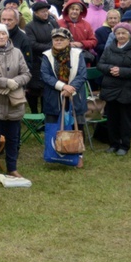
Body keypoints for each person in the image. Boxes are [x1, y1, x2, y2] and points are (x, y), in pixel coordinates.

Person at [0, 24, 31, 181]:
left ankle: (12, 168)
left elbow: (26, 73)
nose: (1, 37)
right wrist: (4, 82)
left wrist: (14, 83)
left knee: (13, 138)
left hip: (14, 102)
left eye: (4, 34)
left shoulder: (16, 52)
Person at [97, 22, 131, 155]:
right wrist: (110, 69)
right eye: (118, 33)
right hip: (110, 87)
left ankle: (124, 145)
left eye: (123, 33)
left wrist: (122, 71)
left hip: (128, 89)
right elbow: (100, 64)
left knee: (125, 119)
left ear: (129, 34)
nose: (120, 35)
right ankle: (113, 143)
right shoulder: (109, 48)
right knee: (112, 118)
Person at [42, 28, 88, 168]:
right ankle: (53, 154)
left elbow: (82, 74)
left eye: (62, 39)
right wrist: (63, 86)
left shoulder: (78, 54)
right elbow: (45, 75)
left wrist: (71, 88)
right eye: (56, 39)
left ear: (69, 41)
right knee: (52, 126)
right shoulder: (46, 55)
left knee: (77, 125)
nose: (58, 41)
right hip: (54, 96)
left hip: (75, 95)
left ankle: (78, 155)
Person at [24, 1, 60, 113]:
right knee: (34, 90)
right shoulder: (30, 26)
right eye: (42, 12)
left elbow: (59, 37)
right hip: (37, 61)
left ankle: (46, 114)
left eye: (46, 11)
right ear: (36, 13)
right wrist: (50, 47)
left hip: (53, 60)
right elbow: (32, 44)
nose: (45, 14)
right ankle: (34, 112)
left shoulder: (53, 23)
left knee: (47, 88)